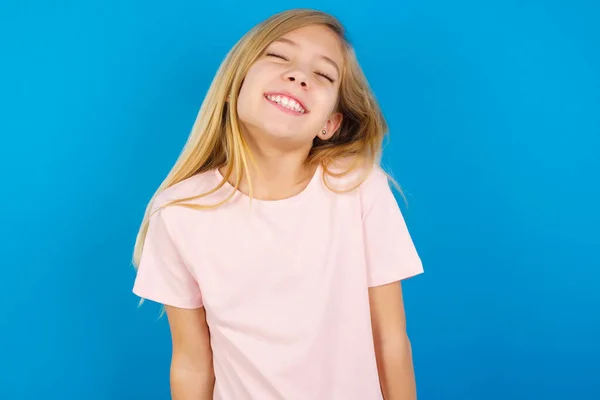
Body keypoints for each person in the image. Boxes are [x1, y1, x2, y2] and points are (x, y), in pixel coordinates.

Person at [132, 8, 424, 400]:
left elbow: (389, 338)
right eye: (277, 56)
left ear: (330, 125)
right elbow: (191, 362)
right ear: (237, 84)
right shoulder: (180, 212)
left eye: (322, 74)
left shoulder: (359, 189)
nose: (299, 75)